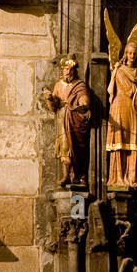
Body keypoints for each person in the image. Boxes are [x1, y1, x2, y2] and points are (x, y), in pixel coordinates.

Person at [107, 41, 137, 188]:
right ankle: (118, 177)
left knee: (134, 141)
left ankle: (133, 177)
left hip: (133, 107)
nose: (132, 56)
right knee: (120, 140)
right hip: (119, 105)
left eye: (134, 53)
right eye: (129, 53)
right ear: (125, 54)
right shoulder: (119, 70)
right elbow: (119, 89)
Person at [47, 57, 93, 186]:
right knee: (64, 147)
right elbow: (53, 108)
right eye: (65, 69)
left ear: (73, 71)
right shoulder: (58, 85)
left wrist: (83, 102)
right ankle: (66, 175)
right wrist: (50, 99)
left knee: (77, 147)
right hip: (62, 119)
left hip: (75, 120)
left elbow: (84, 97)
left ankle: (78, 175)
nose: (66, 72)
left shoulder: (79, 85)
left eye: (69, 69)